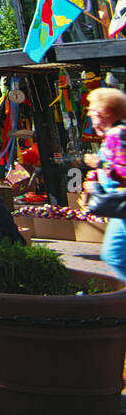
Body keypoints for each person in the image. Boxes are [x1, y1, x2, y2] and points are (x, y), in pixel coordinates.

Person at [88, 87, 126, 279]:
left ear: (107, 111)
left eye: (93, 110)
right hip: (119, 208)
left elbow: (123, 169)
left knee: (115, 255)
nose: (89, 114)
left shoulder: (117, 135)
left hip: (122, 204)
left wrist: (100, 163)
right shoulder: (112, 135)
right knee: (113, 255)